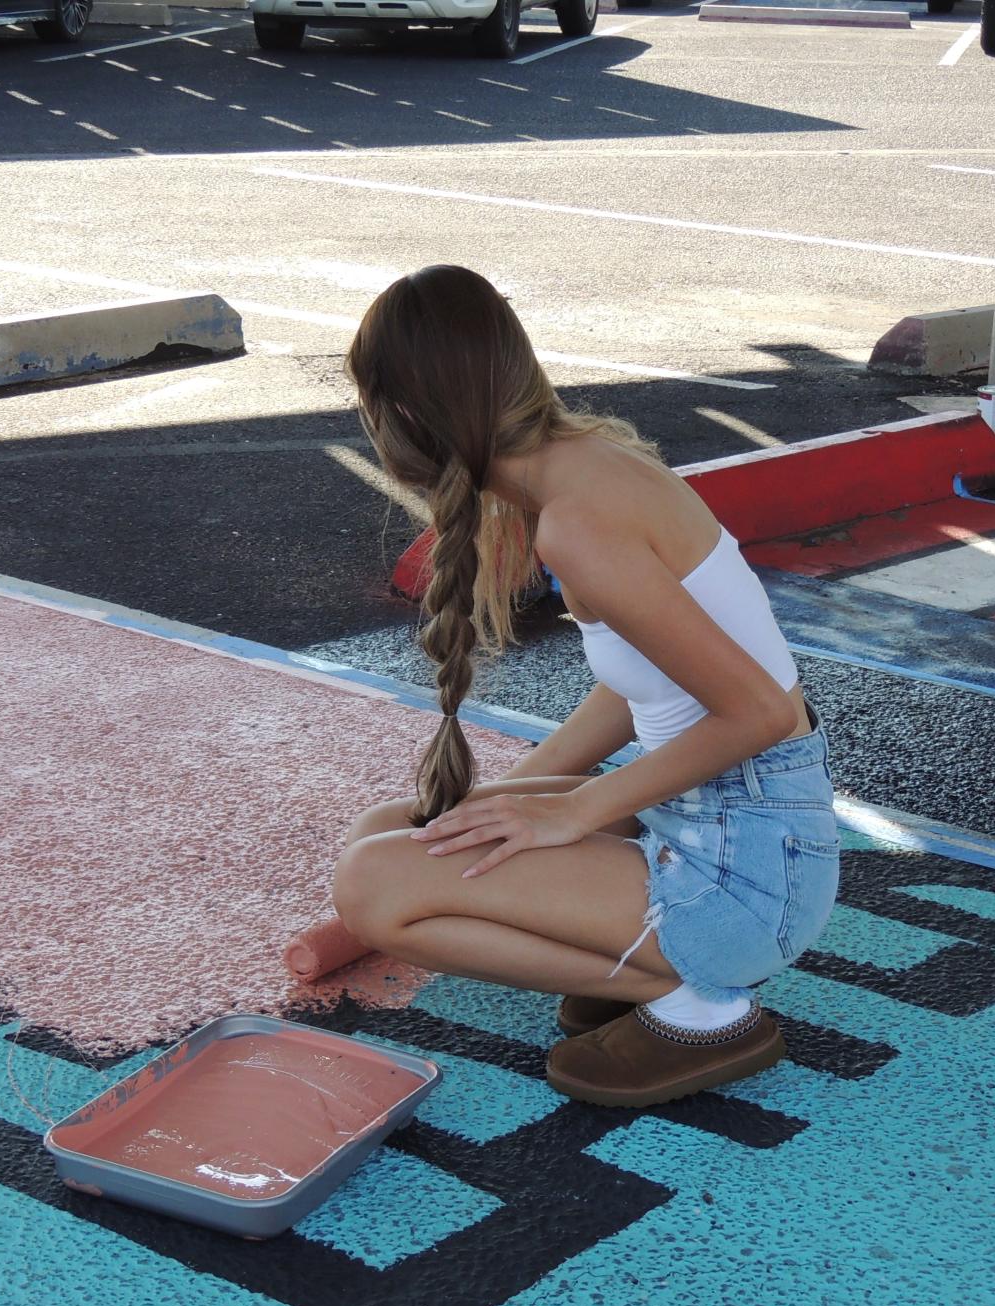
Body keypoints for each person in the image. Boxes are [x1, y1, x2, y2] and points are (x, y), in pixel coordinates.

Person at [331, 265, 841, 1108]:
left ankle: (695, 1002)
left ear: (408, 418)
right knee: (397, 831)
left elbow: (762, 711)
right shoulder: (582, 462)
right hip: (721, 822)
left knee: (373, 889)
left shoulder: (578, 521)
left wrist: (569, 812)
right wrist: (517, 798)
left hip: (747, 879)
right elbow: (640, 686)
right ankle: (638, 958)